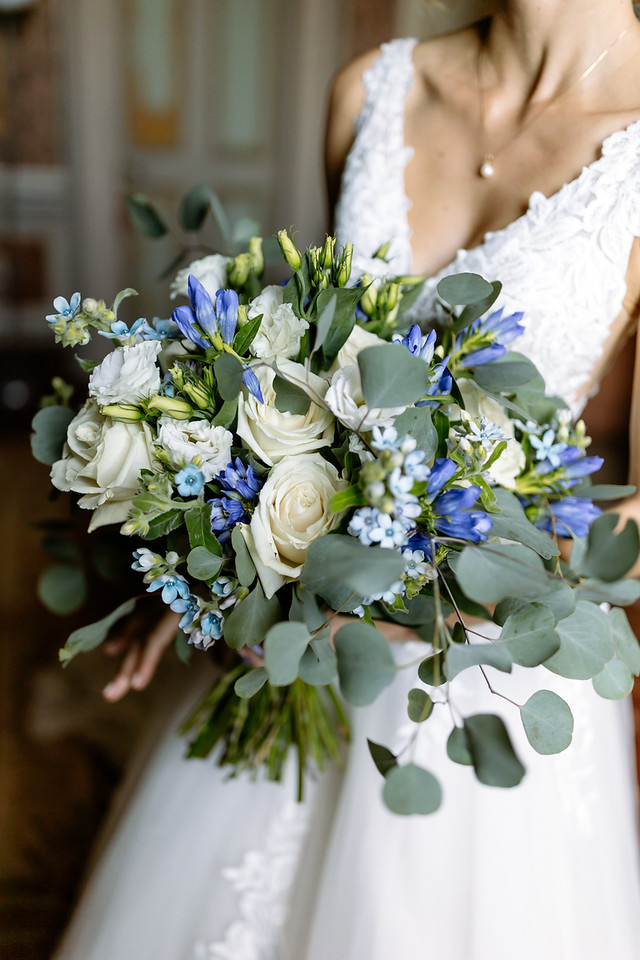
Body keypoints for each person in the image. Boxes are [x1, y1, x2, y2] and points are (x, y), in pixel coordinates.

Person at [55, 2, 640, 957]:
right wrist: (217, 556)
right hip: (294, 637)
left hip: (483, 673)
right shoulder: (371, 88)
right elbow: (319, 361)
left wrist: (441, 586)